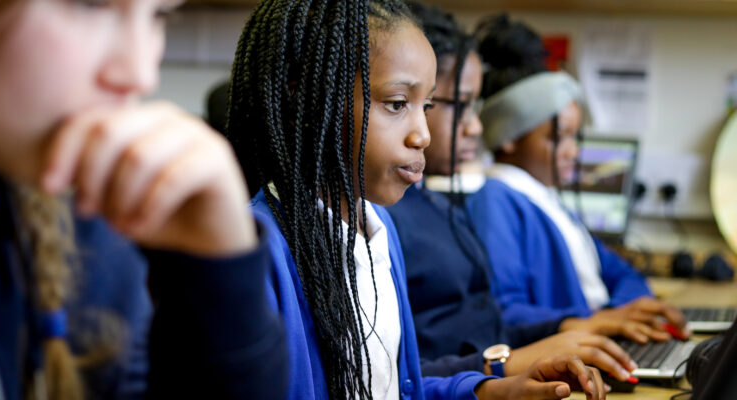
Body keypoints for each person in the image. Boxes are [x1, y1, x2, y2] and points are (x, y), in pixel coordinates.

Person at [227, 0, 605, 399]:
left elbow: (397, 390)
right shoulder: (256, 251)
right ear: (304, 104)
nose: (422, 134)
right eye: (396, 104)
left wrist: (491, 390)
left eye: (426, 106)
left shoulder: (378, 227)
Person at [0, 1, 286, 399]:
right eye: (89, 4)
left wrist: (220, 283)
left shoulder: (89, 233)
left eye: (159, 15)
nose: (140, 73)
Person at [386, 1, 637, 383]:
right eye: (401, 104)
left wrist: (565, 329)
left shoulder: (436, 204)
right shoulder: (384, 217)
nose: (474, 128)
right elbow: (397, 376)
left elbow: (487, 323)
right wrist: (502, 366)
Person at [464, 14, 687, 341]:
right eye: (558, 138)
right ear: (509, 135)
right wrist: (600, 319)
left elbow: (624, 273)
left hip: (595, 339)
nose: (572, 151)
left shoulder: (547, 201)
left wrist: (619, 314)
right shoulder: (496, 199)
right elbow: (505, 312)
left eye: (574, 137)